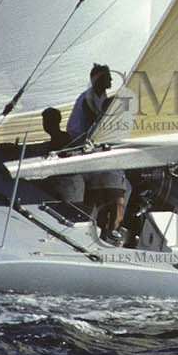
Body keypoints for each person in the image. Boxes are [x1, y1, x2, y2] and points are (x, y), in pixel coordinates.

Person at [68, 64, 130, 242]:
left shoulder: (100, 95)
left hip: (92, 144)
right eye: (108, 77)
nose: (111, 80)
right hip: (82, 144)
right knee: (115, 194)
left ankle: (106, 231)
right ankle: (109, 231)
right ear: (97, 80)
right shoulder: (88, 99)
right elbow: (97, 126)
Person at [39, 107, 85, 207]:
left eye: (47, 121)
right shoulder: (55, 139)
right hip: (61, 183)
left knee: (72, 211)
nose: (45, 124)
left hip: (69, 183)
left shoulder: (63, 138)